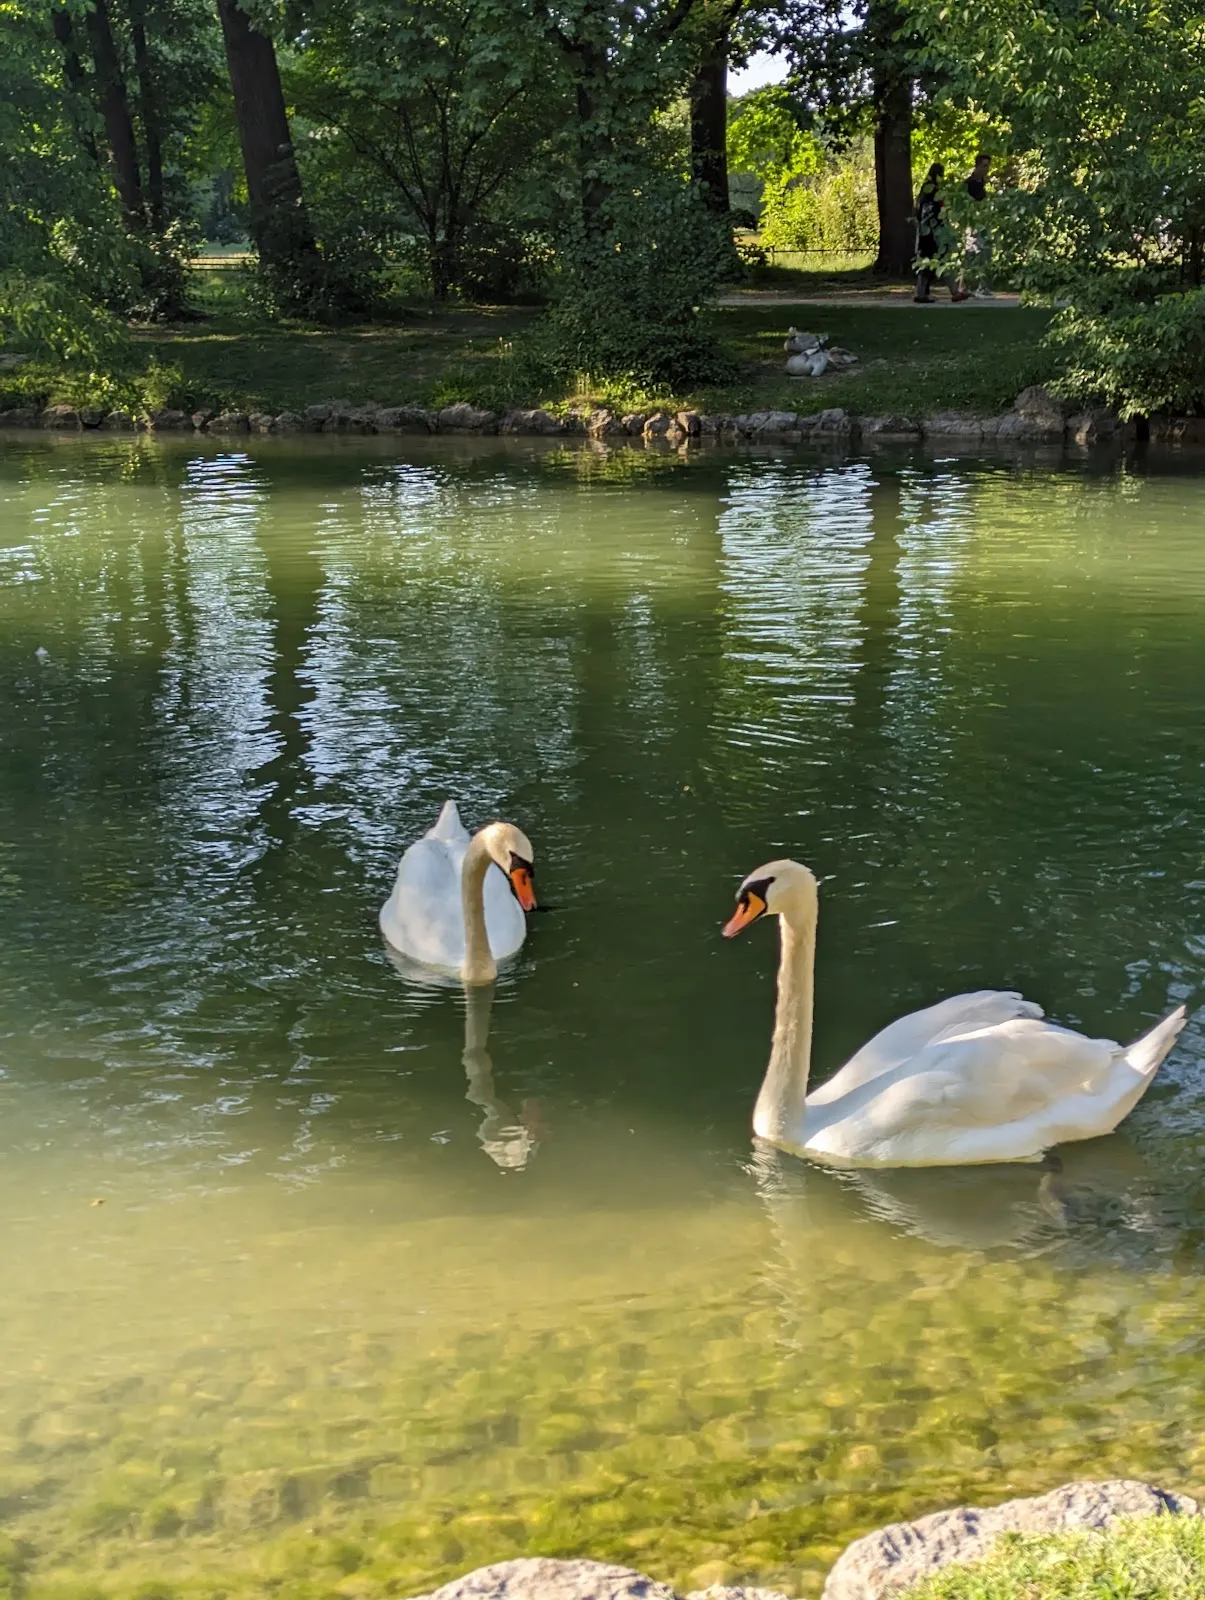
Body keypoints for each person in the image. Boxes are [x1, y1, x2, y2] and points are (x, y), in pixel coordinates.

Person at [913, 163, 967, 303]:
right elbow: (941, 213)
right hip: (936, 232)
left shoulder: (923, 194)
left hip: (925, 232)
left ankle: (922, 292)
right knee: (941, 260)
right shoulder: (936, 193)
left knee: (929, 262)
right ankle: (953, 292)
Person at [960, 152, 994, 298]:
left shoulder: (982, 182)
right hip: (973, 223)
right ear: (978, 165)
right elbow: (966, 203)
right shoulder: (970, 183)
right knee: (977, 253)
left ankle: (969, 285)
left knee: (980, 253)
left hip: (982, 222)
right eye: (984, 166)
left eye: (988, 166)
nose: (986, 169)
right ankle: (974, 286)